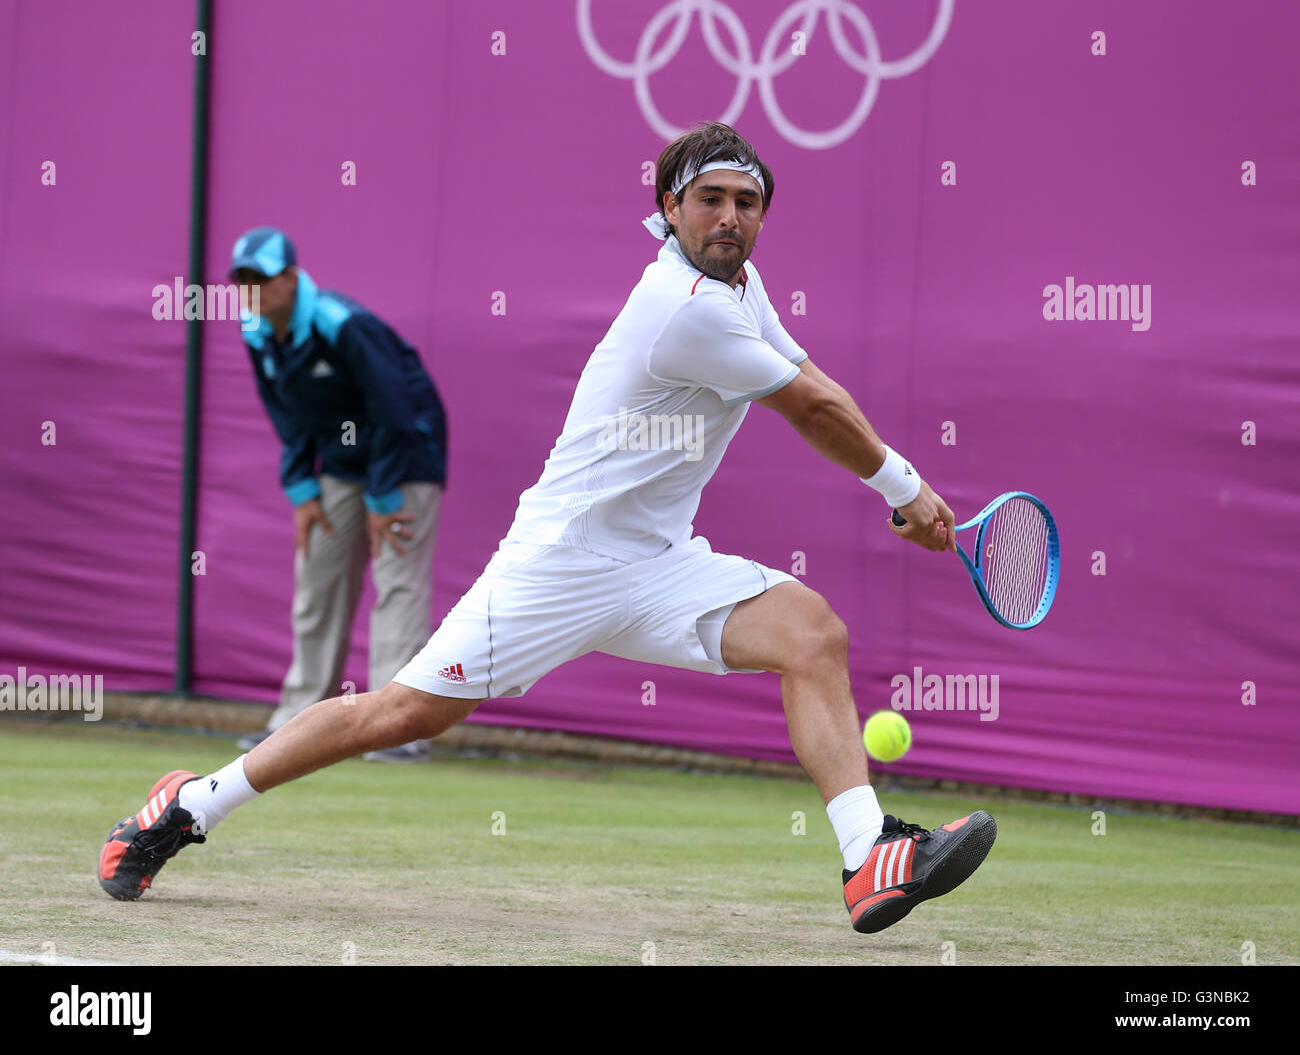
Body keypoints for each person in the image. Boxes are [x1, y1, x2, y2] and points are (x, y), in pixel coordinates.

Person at [99, 126, 995, 934]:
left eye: (747, 202)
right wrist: (902, 485)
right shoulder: (682, 309)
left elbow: (809, 375)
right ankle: (189, 805)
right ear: (669, 208)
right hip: (559, 564)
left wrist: (903, 485)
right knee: (401, 711)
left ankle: (867, 853)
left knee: (811, 632)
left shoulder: (743, 285)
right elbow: (808, 405)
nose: (730, 217)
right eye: (711, 199)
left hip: (656, 564)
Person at [228, 227, 447, 762]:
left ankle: (398, 731)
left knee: (397, 583)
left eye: (261, 278)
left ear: (291, 278)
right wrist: (302, 489)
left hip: (405, 456)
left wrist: (382, 499)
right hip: (342, 464)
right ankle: (298, 723)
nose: (251, 290)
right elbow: (288, 418)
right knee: (317, 580)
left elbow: (393, 410)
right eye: (242, 280)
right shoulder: (257, 332)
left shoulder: (342, 323)